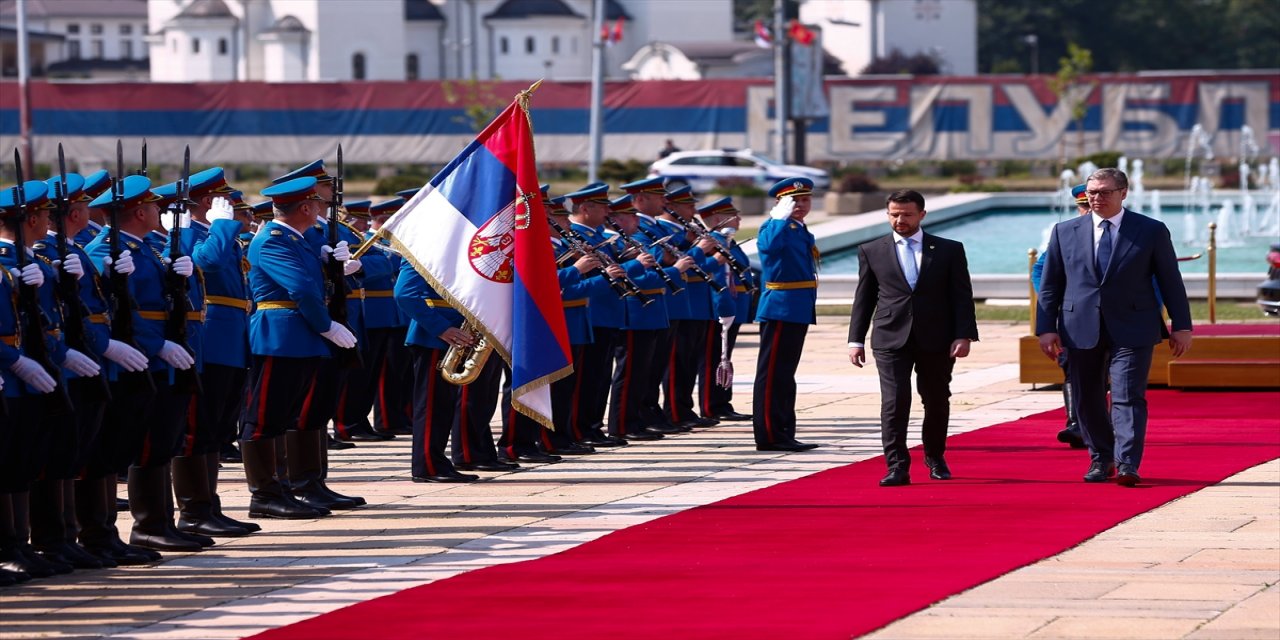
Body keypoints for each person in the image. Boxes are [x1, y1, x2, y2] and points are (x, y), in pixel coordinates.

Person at [1036, 168, 1192, 487]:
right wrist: (1046, 328)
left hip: (1134, 325)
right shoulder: (1064, 231)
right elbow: (1051, 284)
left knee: (1127, 395)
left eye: (1105, 192)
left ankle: (1127, 463)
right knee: (1087, 397)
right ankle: (1101, 457)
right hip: (1079, 326)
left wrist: (1182, 325)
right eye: (1092, 192)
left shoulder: (1150, 230)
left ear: (1123, 193)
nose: (1097, 198)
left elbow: (1170, 280)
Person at [848, 189, 978, 487]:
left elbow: (962, 295)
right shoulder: (871, 250)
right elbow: (864, 298)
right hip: (890, 336)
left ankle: (935, 457)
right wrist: (855, 340)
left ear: (922, 214)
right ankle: (896, 465)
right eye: (894, 214)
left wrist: (964, 335)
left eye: (907, 214)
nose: (900, 220)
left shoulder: (948, 249)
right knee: (895, 401)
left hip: (937, 337)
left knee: (936, 399)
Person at [752, 178, 820, 452]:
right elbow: (768, 248)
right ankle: (769, 434)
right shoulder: (774, 226)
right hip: (781, 307)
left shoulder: (798, 228)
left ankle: (783, 431)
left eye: (805, 200)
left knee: (784, 374)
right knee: (772, 374)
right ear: (780, 204)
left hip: (797, 307)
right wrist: (778, 219)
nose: (800, 205)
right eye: (793, 201)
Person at [1032, 185, 1090, 449]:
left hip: (1117, 318)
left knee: (1107, 374)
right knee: (1072, 368)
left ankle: (1103, 425)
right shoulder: (1067, 234)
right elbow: (1041, 271)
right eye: (1084, 206)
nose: (1089, 211)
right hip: (1073, 316)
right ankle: (1075, 424)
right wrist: (1052, 303)